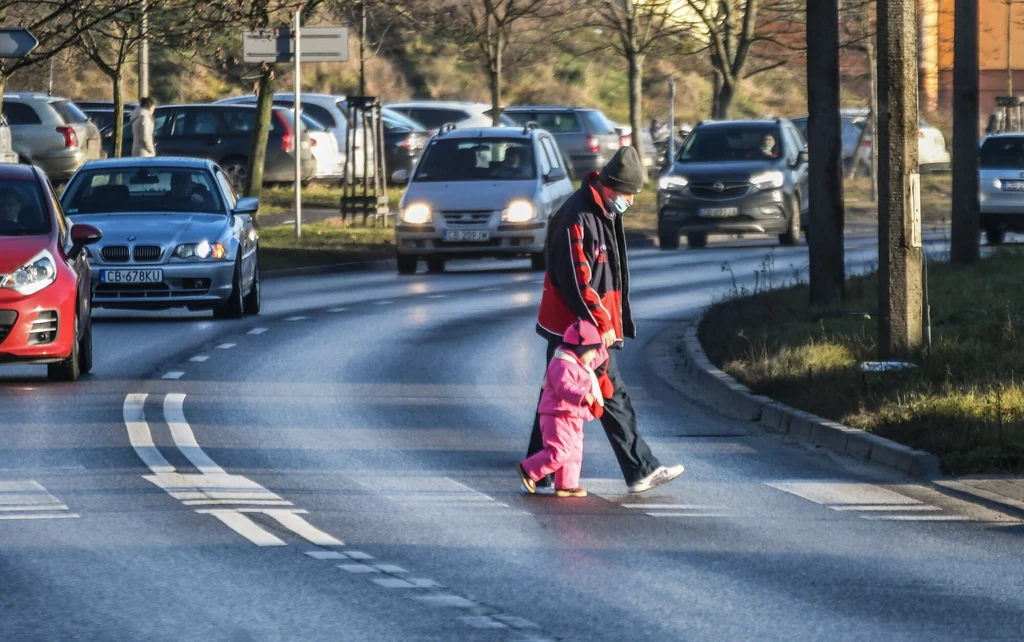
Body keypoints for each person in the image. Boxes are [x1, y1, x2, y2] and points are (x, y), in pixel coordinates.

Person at [527, 146, 685, 495]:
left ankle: (538, 469)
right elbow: (578, 281)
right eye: (628, 194)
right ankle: (640, 469)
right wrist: (602, 322)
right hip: (579, 329)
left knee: (556, 396)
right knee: (613, 396)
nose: (630, 201)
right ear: (611, 186)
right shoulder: (575, 217)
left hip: (582, 326)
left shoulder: (603, 212)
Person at [518, 320, 612, 498]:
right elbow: (564, 388)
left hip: (573, 415)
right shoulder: (562, 364)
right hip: (556, 415)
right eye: (591, 351)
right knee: (559, 451)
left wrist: (603, 350)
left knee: (575, 451)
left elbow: (594, 360)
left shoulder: (578, 362)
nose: (593, 356)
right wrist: (582, 396)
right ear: (580, 349)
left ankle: (567, 485)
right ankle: (529, 470)